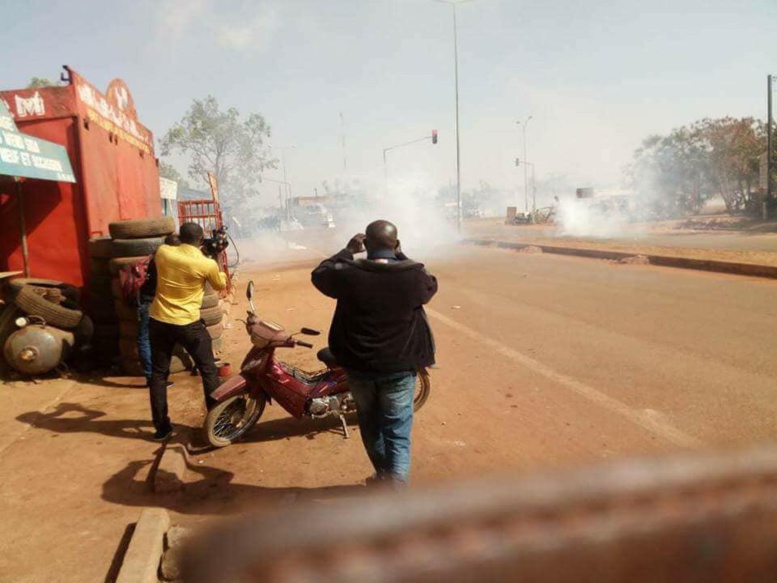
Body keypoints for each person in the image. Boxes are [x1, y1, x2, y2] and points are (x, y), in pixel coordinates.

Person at [311, 220, 438, 488]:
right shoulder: (411, 275)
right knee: (397, 431)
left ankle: (384, 478)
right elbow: (429, 283)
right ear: (396, 244)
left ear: (365, 245)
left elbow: (320, 274)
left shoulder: (348, 273)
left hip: (359, 367)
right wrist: (400, 254)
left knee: (370, 424)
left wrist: (346, 250)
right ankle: (396, 486)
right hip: (399, 368)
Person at [148, 222, 227, 441]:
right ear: (201, 240)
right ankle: (217, 422)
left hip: (159, 320)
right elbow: (220, 285)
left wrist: (199, 247)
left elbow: (174, 245)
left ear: (181, 236)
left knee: (159, 374)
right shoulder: (206, 264)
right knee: (208, 370)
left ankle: (161, 427)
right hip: (188, 323)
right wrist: (217, 255)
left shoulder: (163, 253)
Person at [137, 233, 180, 387]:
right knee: (147, 339)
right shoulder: (167, 261)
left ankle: (153, 377)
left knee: (148, 338)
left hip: (149, 301)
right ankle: (153, 378)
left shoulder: (156, 256)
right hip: (154, 302)